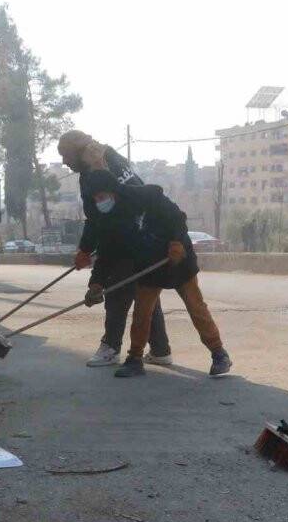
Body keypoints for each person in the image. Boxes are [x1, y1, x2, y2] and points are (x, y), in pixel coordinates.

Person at [80, 170, 232, 379]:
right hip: (148, 265)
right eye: (95, 199)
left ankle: (219, 354)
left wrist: (177, 242)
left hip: (176, 257)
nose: (100, 203)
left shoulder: (146, 196)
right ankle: (134, 359)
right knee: (142, 313)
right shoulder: (109, 219)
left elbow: (178, 217)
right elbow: (107, 253)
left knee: (196, 307)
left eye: (101, 196)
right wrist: (96, 283)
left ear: (113, 191)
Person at [57, 130, 172, 368]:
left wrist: (89, 258)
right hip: (148, 234)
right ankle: (160, 350)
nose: (64, 162)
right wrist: (86, 250)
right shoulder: (111, 158)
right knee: (146, 294)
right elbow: (102, 216)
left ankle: (110, 347)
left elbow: (102, 219)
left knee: (117, 293)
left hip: (130, 239)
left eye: (66, 155)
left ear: (78, 151)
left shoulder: (96, 172)